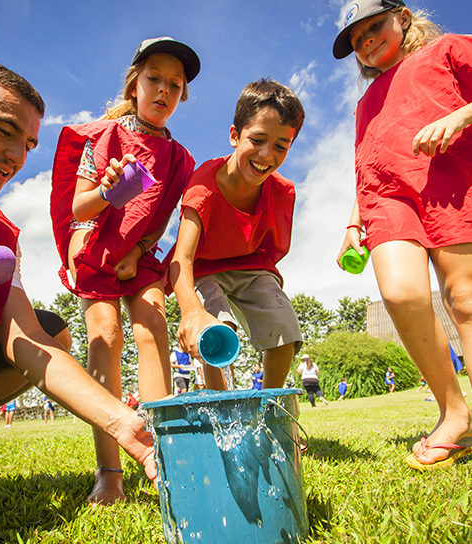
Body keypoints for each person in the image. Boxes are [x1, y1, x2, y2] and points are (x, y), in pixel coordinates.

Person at [0, 62, 156, 518]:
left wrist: (123, 422)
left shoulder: (0, 232)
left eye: (28, 144)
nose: (17, 157)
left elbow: (26, 341)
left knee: (51, 332)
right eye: (5, 131)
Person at [50, 37, 200, 505]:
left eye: (175, 85)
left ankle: (164, 453)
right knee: (105, 335)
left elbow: (161, 216)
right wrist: (109, 194)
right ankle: (110, 470)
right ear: (135, 83)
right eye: (154, 79)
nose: (164, 90)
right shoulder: (104, 138)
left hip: (140, 255)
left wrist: (140, 249)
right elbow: (79, 204)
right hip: (96, 249)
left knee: (153, 324)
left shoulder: (179, 159)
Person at [333, 0, 472, 469]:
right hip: (386, 201)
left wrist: (458, 117)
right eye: (358, 40)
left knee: (464, 298)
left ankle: (459, 423)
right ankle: (453, 411)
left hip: (449, 179)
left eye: (375, 26)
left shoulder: (448, 51)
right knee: (399, 292)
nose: (368, 41)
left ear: (404, 17)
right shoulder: (364, 104)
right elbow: (364, 164)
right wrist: (354, 221)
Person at [170, 78, 304, 391]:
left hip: (251, 266)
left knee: (284, 327)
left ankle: (272, 407)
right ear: (235, 135)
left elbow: (272, 250)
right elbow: (182, 258)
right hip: (203, 269)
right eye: (257, 140)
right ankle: (223, 407)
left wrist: (265, 286)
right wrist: (191, 311)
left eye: (281, 146)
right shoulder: (204, 185)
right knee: (217, 329)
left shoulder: (282, 192)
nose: (266, 155)